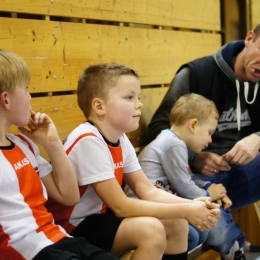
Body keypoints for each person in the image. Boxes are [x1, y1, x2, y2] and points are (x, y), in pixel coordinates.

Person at [45, 62, 221, 260]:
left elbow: (146, 190)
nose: (139, 104)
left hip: (97, 219)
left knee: (176, 222)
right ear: (99, 106)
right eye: (129, 97)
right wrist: (186, 209)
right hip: (69, 228)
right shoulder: (87, 139)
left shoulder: (120, 138)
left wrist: (191, 204)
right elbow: (120, 206)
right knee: (151, 231)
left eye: (138, 97)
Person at [0, 49, 120, 260]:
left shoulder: (24, 144)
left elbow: (69, 196)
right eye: (26, 89)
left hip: (57, 239)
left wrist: (52, 143)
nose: (30, 97)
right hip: (24, 249)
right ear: (6, 100)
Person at [147, 24, 260, 211]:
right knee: (214, 228)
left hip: (244, 174)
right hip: (196, 179)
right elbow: (157, 129)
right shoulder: (197, 72)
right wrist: (194, 157)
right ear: (249, 39)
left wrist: (257, 138)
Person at [126, 93, 246, 260]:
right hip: (144, 207)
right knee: (193, 235)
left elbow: (186, 176)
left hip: (160, 206)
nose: (210, 140)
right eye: (209, 132)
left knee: (200, 234)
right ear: (194, 125)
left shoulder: (175, 142)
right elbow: (183, 185)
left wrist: (207, 186)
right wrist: (208, 196)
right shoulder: (172, 144)